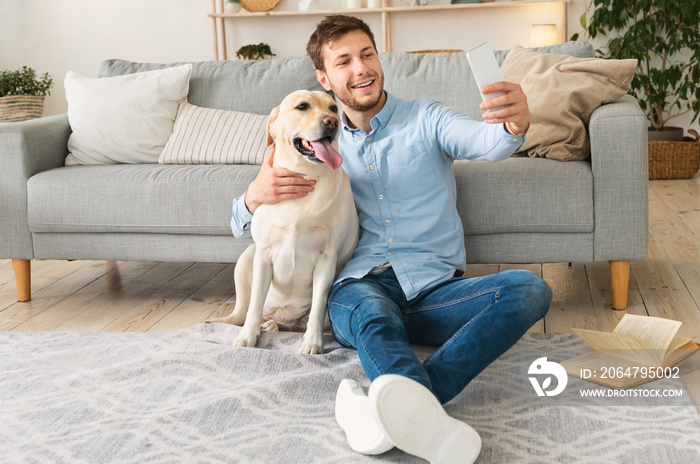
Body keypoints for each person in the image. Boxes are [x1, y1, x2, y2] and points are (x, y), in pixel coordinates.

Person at [230, 15, 553, 464]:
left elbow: (487, 141)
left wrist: (513, 125)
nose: (361, 69)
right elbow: (257, 221)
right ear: (324, 78)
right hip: (356, 288)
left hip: (434, 290)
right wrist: (250, 197)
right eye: (344, 61)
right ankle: (420, 415)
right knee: (374, 317)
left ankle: (398, 411)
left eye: (367, 54)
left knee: (530, 289)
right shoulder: (316, 146)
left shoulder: (427, 117)